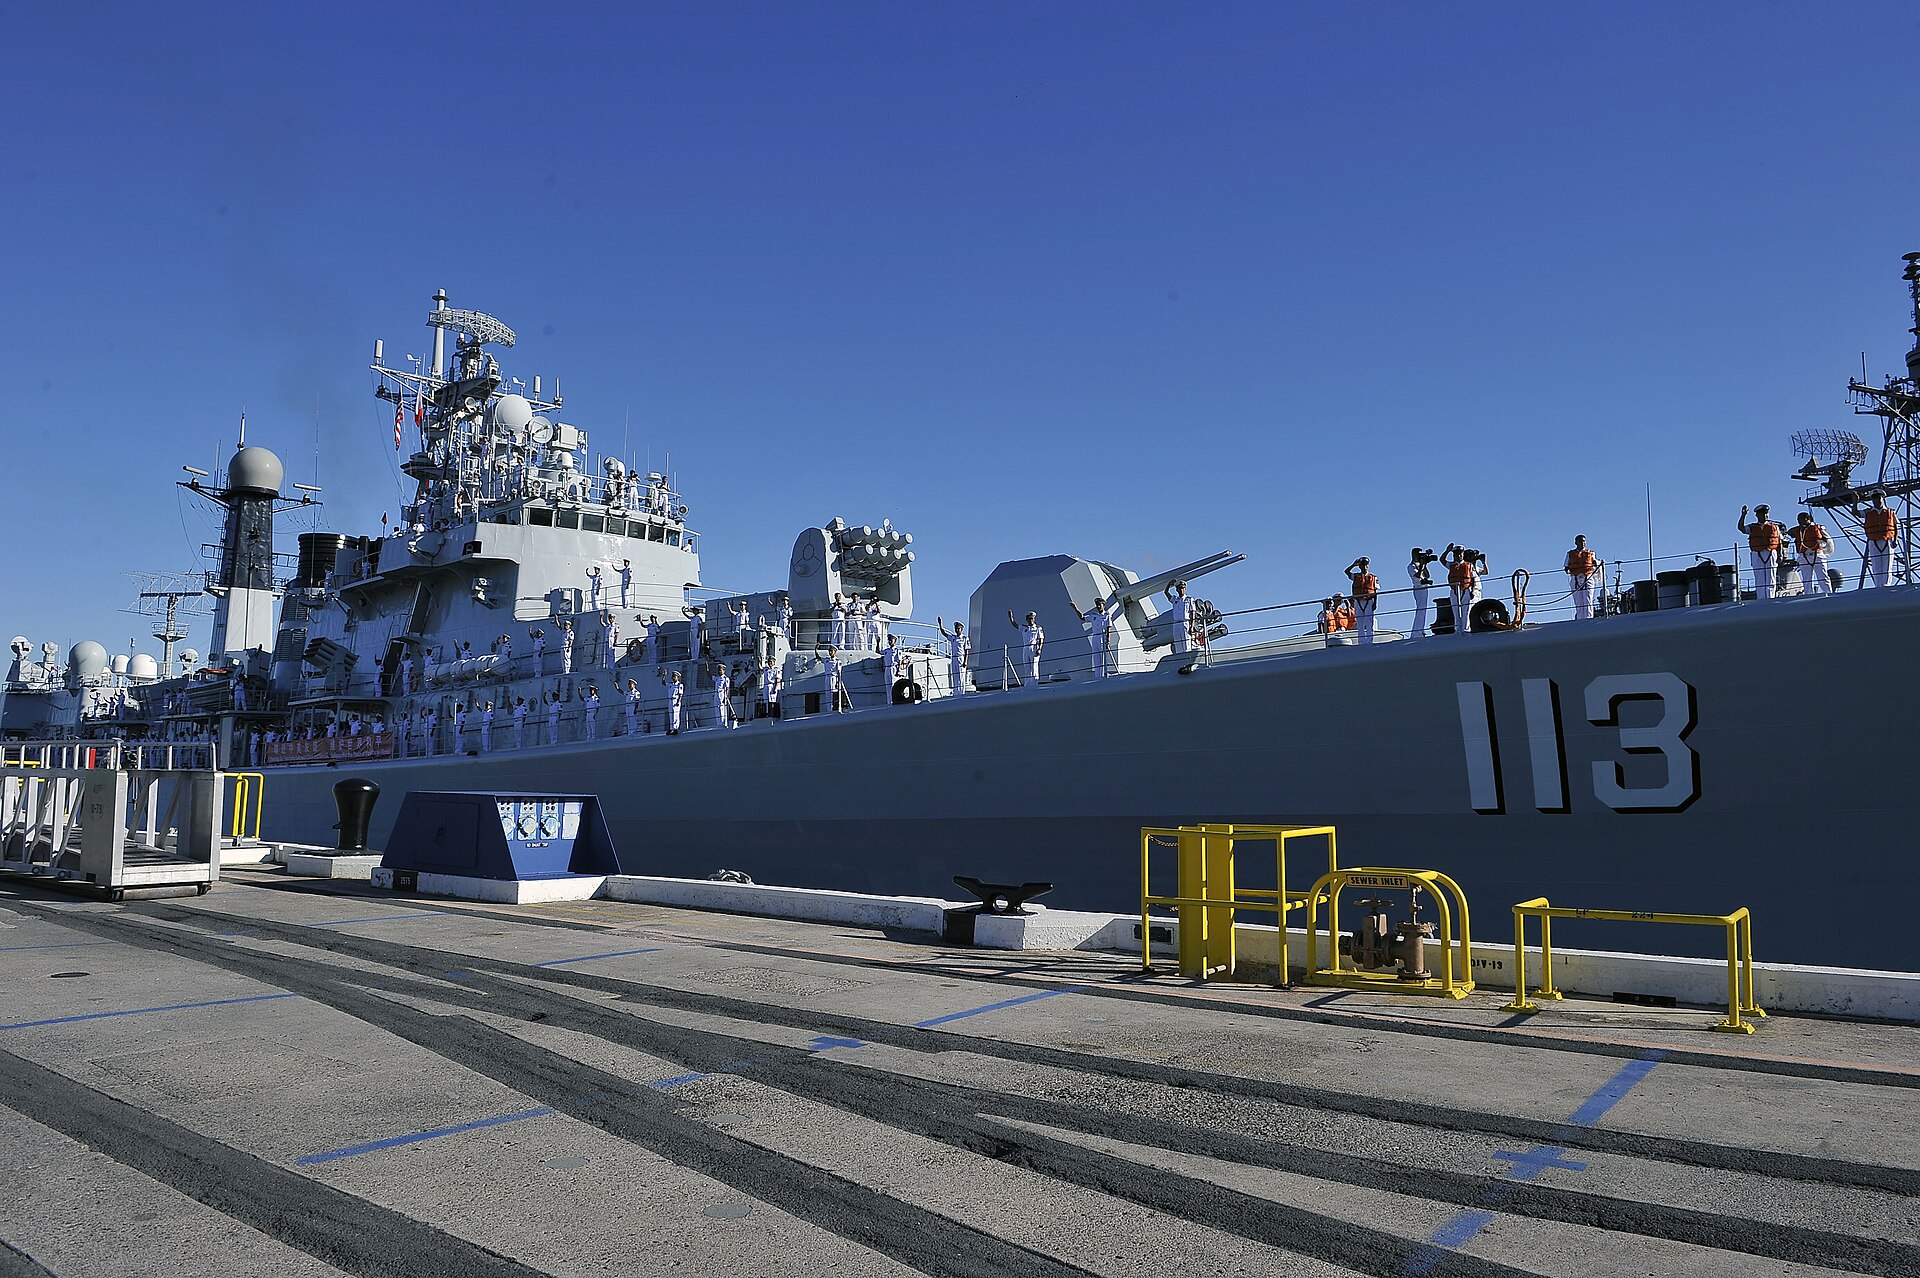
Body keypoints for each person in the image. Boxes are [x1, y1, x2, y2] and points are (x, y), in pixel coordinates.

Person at [1739, 503, 1783, 601]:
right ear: (1757, 515)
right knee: (1759, 578)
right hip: (1757, 553)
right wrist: (1743, 515)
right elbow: (1741, 528)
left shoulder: (1775, 527)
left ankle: (1771, 597)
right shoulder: (1752, 527)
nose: (1765, 515)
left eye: (1766, 513)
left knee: (1771, 577)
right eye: (1762, 514)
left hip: (1771, 552)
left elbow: (1779, 541)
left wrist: (1780, 555)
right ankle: (1761, 599)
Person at [1069, 595, 1119, 677]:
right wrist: (1075, 608)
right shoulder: (1094, 616)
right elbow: (1082, 618)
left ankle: (1103, 675)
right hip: (1095, 637)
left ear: (1103, 605)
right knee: (1096, 657)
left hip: (1102, 637)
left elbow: (1108, 629)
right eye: (1097, 605)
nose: (1098, 606)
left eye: (1100, 604)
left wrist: (1108, 641)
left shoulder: (1107, 616)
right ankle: (1098, 676)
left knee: (1102, 658)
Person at [1792, 512, 1832, 597]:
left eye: (1802, 519)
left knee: (1823, 576)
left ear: (1808, 519)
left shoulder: (1819, 528)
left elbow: (1827, 539)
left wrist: (1827, 551)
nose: (1799, 522)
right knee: (1806, 579)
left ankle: (1828, 593)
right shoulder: (1798, 531)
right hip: (1804, 555)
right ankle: (1808, 595)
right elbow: (1790, 532)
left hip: (1817, 554)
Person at [1443, 544, 1478, 634]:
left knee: (1466, 611)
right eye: (1456, 554)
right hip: (1454, 591)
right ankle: (1457, 629)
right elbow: (1442, 560)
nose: (1458, 556)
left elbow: (1473, 579)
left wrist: (1473, 591)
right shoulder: (1451, 565)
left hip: (1466, 589)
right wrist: (1447, 551)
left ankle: (1465, 629)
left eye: (1460, 554)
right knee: (1456, 611)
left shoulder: (1469, 565)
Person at [1344, 557, 1379, 645]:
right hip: (1358, 602)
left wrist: (1375, 603)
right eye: (1362, 565)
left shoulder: (1373, 578)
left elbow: (1375, 591)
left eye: (1366, 565)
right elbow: (1346, 572)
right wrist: (1353, 565)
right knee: (1360, 623)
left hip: (1369, 601)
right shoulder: (1355, 577)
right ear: (1360, 566)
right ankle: (1361, 642)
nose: (1365, 567)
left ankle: (1369, 641)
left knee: (1369, 623)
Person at [1864, 492, 1897, 588]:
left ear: (1883, 499)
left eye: (1878, 498)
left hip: (1887, 540)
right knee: (1876, 565)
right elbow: (1856, 513)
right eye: (1874, 499)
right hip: (1873, 541)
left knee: (1888, 565)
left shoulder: (1891, 512)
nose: (1876, 501)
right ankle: (1878, 586)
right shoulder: (1868, 513)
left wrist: (1896, 539)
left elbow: (1896, 525)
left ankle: (1886, 585)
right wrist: (1855, 501)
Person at [1564, 535, 1600, 620]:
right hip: (1575, 578)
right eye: (1580, 541)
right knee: (1578, 601)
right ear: (1576, 543)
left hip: (1587, 578)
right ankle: (1580, 619)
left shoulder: (1591, 553)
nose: (1582, 543)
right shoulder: (1570, 554)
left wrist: (1595, 562)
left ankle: (1589, 618)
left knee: (1588, 599)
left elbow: (1596, 562)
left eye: (1584, 541)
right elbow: (1566, 567)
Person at [1007, 609, 1044, 686]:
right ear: (1027, 619)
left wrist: (1039, 649)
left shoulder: (1038, 628)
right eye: (1029, 618)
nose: (1031, 620)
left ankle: (1034, 684)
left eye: (1032, 618)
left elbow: (1041, 638)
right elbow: (1015, 625)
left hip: (1034, 647)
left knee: (1034, 666)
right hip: (1025, 648)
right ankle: (1027, 684)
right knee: (1027, 666)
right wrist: (1011, 618)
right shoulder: (1024, 628)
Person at [938, 617, 972, 694]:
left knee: (961, 677)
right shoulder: (953, 638)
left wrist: (965, 661)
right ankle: (956, 693)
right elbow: (944, 633)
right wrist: (940, 625)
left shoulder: (965, 638)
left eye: (958, 628)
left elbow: (967, 650)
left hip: (961, 658)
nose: (956, 630)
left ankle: (961, 693)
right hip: (954, 658)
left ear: (961, 629)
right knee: (955, 676)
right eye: (956, 628)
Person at [1407, 548, 1435, 640]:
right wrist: (1422, 565)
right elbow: (1417, 576)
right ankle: (1417, 632)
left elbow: (1427, 575)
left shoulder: (1420, 564)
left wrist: (1425, 564)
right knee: (1420, 609)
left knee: (1423, 610)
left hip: (1424, 587)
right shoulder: (1411, 566)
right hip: (1418, 588)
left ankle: (1420, 629)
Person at [1163, 580, 1194, 657]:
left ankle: (1187, 659)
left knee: (1186, 644)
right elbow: (1166, 593)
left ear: (1185, 589)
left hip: (1185, 623)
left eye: (1183, 588)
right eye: (1180, 588)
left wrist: (1192, 626)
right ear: (1177, 589)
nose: (1181, 590)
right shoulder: (1175, 599)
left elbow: (1193, 613)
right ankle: (1180, 659)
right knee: (1178, 645)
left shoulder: (1189, 599)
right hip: (1176, 624)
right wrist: (1169, 585)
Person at [819, 645, 846, 712]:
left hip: (833, 678)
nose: (830, 652)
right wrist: (816, 650)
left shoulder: (837, 661)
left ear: (835, 652)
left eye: (831, 651)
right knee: (827, 693)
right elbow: (818, 658)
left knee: (832, 694)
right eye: (829, 651)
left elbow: (839, 672)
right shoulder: (826, 660)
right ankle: (828, 710)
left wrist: (838, 682)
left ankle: (833, 709)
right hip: (827, 677)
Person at [710, 662, 734, 728]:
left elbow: (727, 688)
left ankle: (723, 723)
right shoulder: (717, 678)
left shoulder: (725, 679)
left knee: (722, 708)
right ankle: (718, 723)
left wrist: (726, 697)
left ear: (724, 670)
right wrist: (707, 669)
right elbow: (710, 677)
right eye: (718, 670)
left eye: (720, 670)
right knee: (717, 708)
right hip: (716, 694)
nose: (719, 671)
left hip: (721, 694)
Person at [881, 634, 903, 705]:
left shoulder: (897, 650)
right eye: (889, 640)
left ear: (895, 641)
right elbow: (878, 652)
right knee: (888, 686)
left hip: (894, 668)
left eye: (891, 640)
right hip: (887, 668)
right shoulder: (887, 651)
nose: (890, 641)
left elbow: (899, 660)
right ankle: (889, 702)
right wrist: (878, 643)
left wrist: (899, 670)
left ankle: (893, 701)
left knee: (893, 685)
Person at [664, 668, 685, 734]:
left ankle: (676, 728)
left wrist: (678, 701)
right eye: (672, 676)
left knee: (676, 714)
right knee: (671, 714)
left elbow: (680, 694)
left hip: (676, 700)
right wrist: (664, 676)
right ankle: (671, 728)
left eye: (674, 676)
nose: (673, 678)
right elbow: (663, 683)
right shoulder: (671, 684)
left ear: (677, 677)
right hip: (670, 700)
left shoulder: (680, 685)